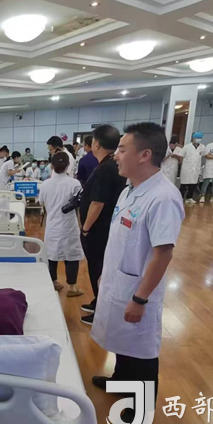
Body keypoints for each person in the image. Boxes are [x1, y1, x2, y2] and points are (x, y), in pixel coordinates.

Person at [90, 122, 184, 412]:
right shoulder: (130, 189)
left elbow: (163, 253)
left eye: (122, 149)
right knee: (122, 340)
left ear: (144, 155)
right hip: (119, 281)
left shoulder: (163, 198)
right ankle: (121, 381)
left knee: (140, 348)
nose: (116, 155)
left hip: (138, 289)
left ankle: (142, 406)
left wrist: (140, 298)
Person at [79, 125, 127, 325]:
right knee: (100, 267)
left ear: (96, 144)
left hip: (98, 229)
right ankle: (98, 300)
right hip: (107, 226)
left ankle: (101, 309)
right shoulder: (111, 165)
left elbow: (97, 203)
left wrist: (85, 228)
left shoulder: (105, 169)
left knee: (97, 267)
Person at [39, 152, 85, 297]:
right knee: (71, 256)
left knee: (51, 255)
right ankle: (72, 287)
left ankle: (53, 282)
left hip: (52, 225)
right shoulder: (74, 184)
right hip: (69, 225)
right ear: (68, 165)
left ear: (51, 166)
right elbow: (80, 201)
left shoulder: (45, 184)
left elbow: (41, 202)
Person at [180, 132, 205, 204]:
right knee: (184, 184)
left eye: (199, 138)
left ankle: (189, 197)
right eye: (197, 138)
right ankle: (180, 197)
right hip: (187, 168)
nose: (198, 139)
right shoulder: (187, 147)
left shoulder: (203, 147)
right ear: (193, 138)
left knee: (193, 184)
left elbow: (203, 157)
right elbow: (181, 156)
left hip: (196, 168)